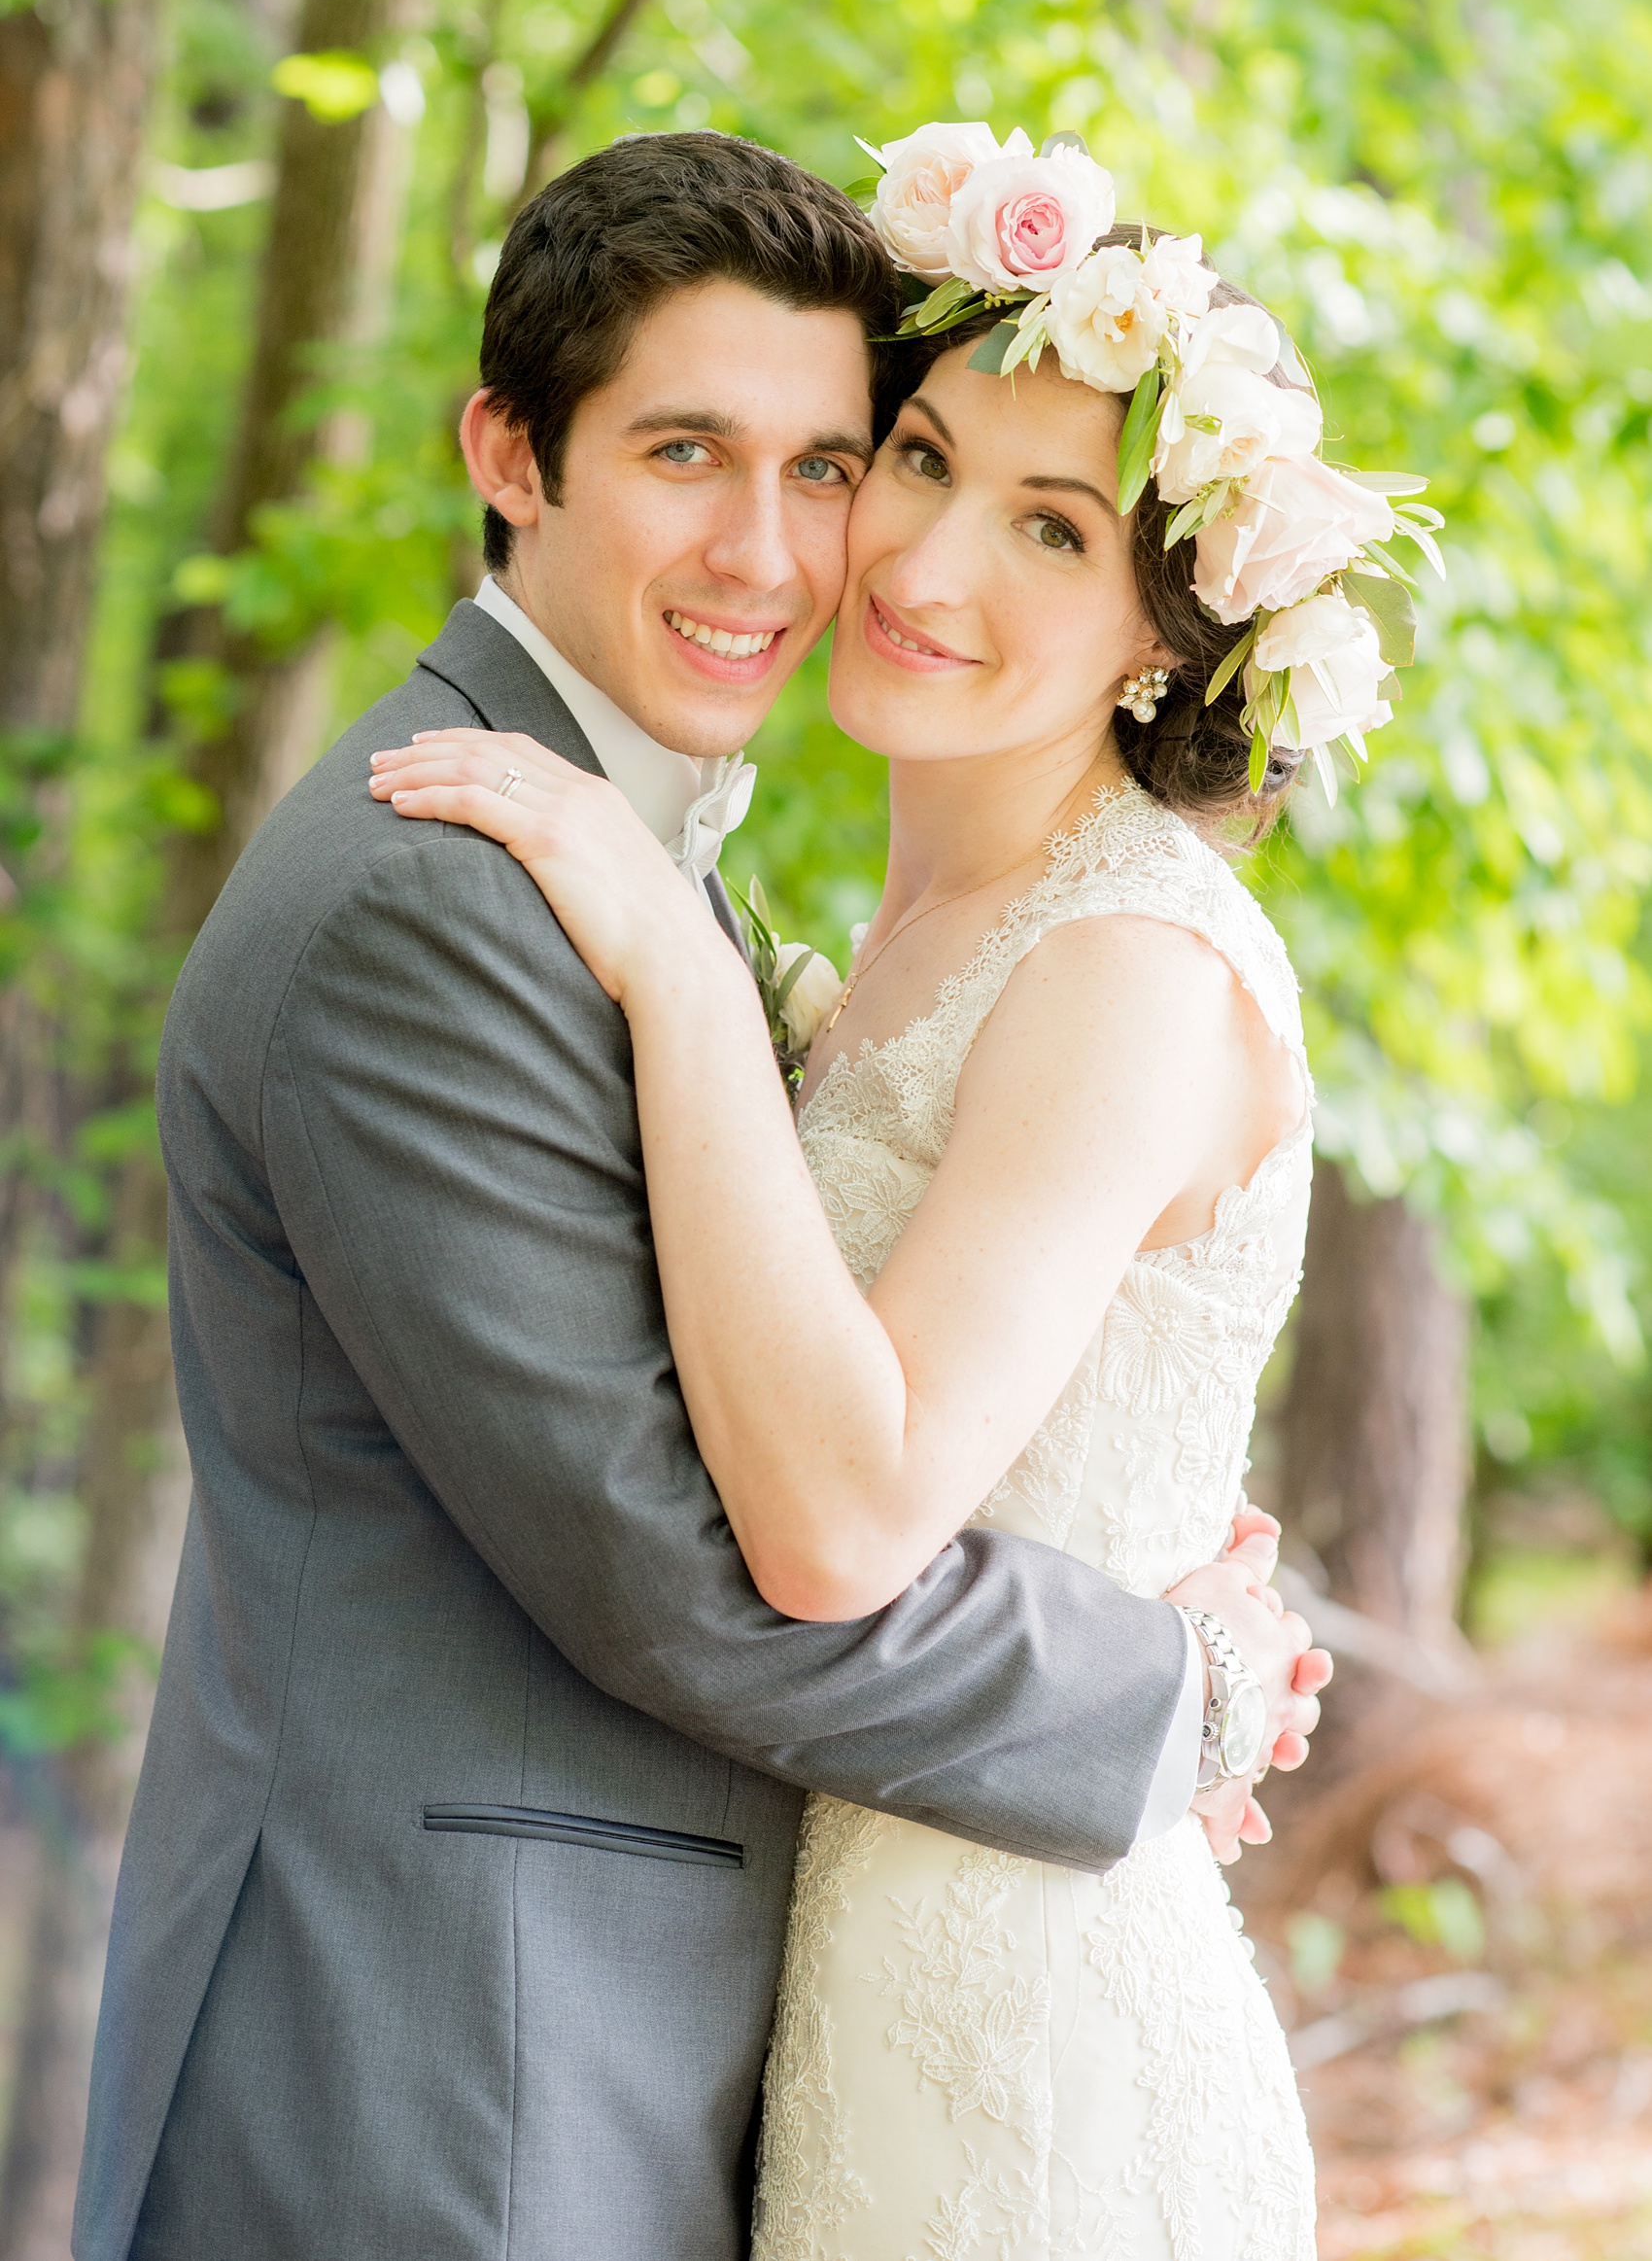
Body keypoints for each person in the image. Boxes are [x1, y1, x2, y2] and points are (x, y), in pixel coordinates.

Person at [74, 131, 1327, 2261]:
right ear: (509, 452)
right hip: (441, 2056)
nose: (789, 549)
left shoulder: (686, 881)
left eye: (829, 462)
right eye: (682, 451)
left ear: (1155, 620)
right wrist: (1157, 1688)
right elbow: (684, 1560)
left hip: (814, 2035)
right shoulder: (436, 896)